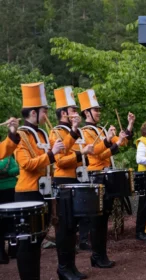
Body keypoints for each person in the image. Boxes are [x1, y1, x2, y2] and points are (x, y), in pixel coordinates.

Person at [14, 82, 77, 280]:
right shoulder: (21, 136)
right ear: (33, 112)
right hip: (27, 193)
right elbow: (27, 165)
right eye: (43, 111)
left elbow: (61, 150)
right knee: (27, 242)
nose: (46, 115)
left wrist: (73, 133)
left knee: (38, 239)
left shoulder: (41, 133)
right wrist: (50, 154)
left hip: (43, 191)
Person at [78, 89, 134, 268]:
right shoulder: (85, 132)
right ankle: (97, 255)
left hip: (105, 176)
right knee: (98, 219)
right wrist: (111, 143)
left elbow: (122, 140)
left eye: (99, 110)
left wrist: (130, 125)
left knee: (104, 218)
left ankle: (100, 255)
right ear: (86, 112)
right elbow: (95, 155)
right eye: (95, 110)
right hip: (95, 176)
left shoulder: (99, 130)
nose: (99, 113)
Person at [50, 86, 94, 279]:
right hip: (63, 181)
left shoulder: (74, 131)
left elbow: (80, 157)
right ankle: (63, 267)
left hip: (76, 179)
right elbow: (60, 161)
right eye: (73, 110)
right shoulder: (56, 132)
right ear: (63, 113)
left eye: (76, 110)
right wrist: (80, 154)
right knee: (65, 227)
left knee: (73, 227)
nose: (76, 113)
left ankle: (71, 266)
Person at [0, 155, 19, 264]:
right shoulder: (6, 156)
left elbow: (18, 169)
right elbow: (4, 167)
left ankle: (14, 249)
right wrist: (8, 171)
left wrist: (5, 173)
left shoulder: (7, 154)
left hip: (11, 190)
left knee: (13, 219)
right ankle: (1, 253)